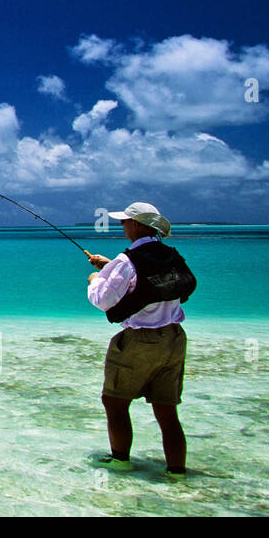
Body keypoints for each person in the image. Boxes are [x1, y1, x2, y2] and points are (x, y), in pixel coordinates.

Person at [83, 202, 195, 479]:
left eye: (124, 222)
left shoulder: (127, 261)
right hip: (174, 338)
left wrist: (96, 278)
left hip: (140, 340)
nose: (122, 226)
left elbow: (103, 301)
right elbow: (152, 282)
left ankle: (120, 460)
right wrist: (110, 267)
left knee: (115, 401)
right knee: (167, 410)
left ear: (135, 225)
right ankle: (176, 471)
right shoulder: (169, 255)